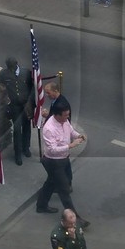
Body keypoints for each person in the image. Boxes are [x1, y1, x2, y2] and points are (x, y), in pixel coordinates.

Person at [37, 96, 86, 224]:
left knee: (50, 183)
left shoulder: (65, 121)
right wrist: (71, 145)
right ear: (57, 115)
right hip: (53, 161)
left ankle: (41, 205)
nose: (67, 117)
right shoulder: (49, 129)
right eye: (65, 115)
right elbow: (52, 149)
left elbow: (71, 131)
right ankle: (75, 218)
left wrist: (78, 136)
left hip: (64, 158)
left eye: (68, 115)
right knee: (64, 189)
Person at [0, 58, 33, 165]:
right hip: (14, 106)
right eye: (9, 68)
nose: (11, 70)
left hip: (26, 105)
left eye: (12, 67)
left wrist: (30, 102)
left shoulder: (26, 72)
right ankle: (17, 154)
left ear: (17, 64)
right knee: (17, 130)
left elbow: (32, 88)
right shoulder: (3, 74)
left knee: (27, 127)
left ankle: (26, 148)